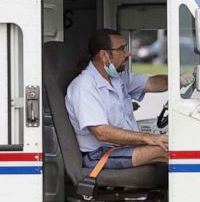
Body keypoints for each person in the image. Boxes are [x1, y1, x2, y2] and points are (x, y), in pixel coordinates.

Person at [66, 29, 168, 169]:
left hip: (121, 148)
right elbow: (101, 132)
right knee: (167, 151)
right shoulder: (84, 86)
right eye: (121, 49)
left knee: (176, 145)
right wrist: (148, 137)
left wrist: (179, 80)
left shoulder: (117, 78)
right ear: (104, 55)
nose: (128, 54)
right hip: (99, 154)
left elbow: (152, 83)